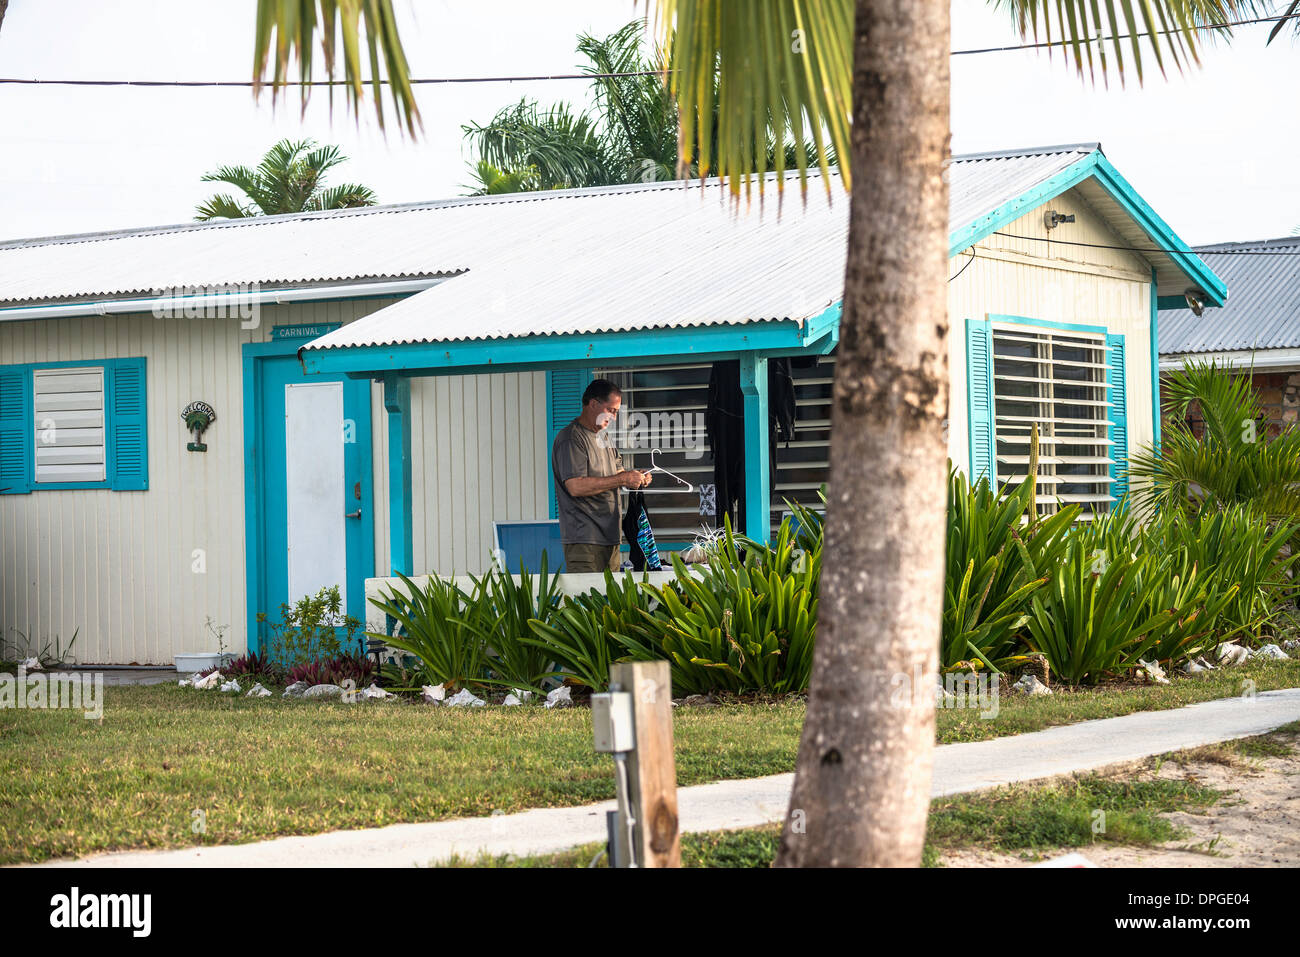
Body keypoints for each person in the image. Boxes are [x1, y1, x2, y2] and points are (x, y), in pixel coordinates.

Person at [551, 378, 652, 572]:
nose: (614, 417)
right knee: (587, 600)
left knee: (609, 601)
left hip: (610, 538)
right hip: (584, 541)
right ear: (593, 404)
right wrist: (623, 479)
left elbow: (618, 473)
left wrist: (636, 477)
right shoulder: (571, 438)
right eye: (611, 410)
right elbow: (576, 486)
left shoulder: (604, 438)